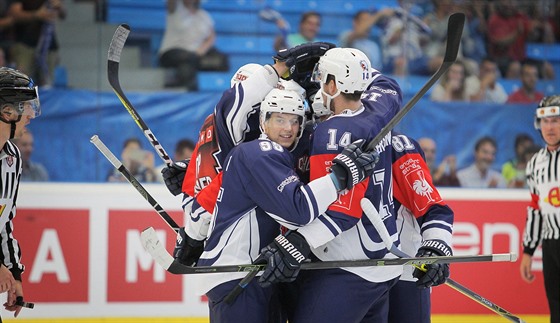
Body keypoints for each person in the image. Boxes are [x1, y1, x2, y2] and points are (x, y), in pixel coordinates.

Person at [195, 88, 377, 322]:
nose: (288, 128)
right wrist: (339, 176)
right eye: (280, 119)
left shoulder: (282, 157)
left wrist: (191, 237)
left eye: (294, 121)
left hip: (257, 276)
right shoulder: (259, 153)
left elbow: (202, 210)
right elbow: (298, 212)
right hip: (238, 275)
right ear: (263, 121)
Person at [388, 133, 454, 323]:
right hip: (351, 272)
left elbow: (433, 207)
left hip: (403, 271)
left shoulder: (399, 146)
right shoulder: (321, 137)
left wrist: (436, 247)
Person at [0, 67, 41, 319]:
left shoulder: (12, 158)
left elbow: (3, 224)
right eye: (25, 106)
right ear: (6, 112)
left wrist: (15, 275)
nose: (31, 115)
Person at [520, 95, 560, 323]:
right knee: (555, 307)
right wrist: (528, 251)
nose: (550, 127)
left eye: (555, 120)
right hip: (551, 243)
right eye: (545, 121)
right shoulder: (536, 163)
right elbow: (536, 208)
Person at [158, 0, 223, 91]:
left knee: (221, 60)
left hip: (195, 55)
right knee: (188, 61)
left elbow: (211, 37)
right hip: (173, 51)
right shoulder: (175, 8)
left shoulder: (204, 16)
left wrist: (201, 50)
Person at [8, 0, 66, 87]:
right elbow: (14, 14)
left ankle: (46, 99)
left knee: (48, 83)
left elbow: (63, 15)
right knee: (22, 82)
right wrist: (37, 15)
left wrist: (59, 7)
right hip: (25, 44)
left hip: (48, 45)